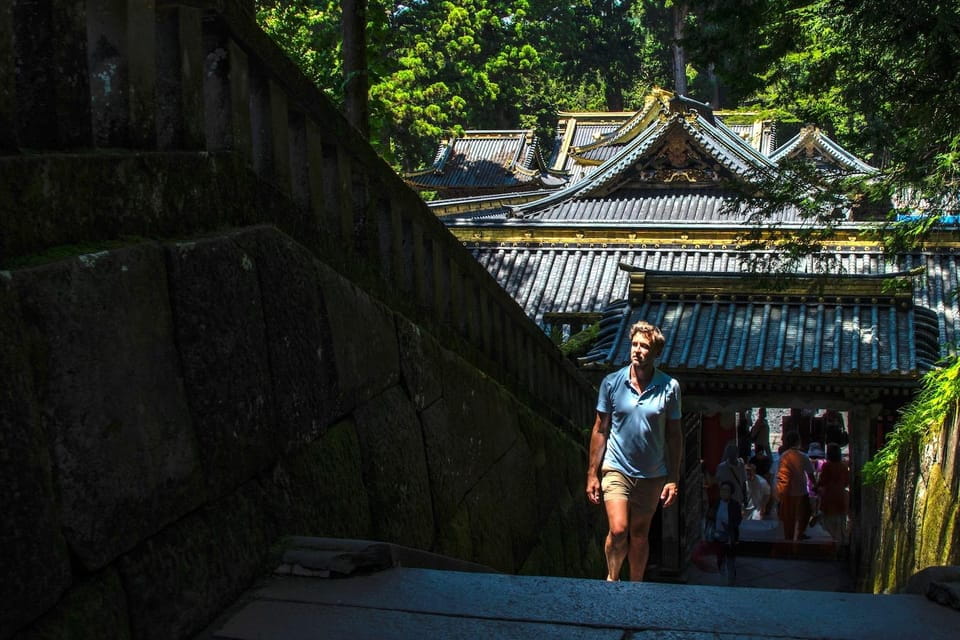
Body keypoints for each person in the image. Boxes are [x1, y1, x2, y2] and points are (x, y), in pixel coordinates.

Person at [586, 321, 683, 581]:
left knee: (640, 535)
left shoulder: (669, 387)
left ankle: (635, 587)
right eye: (634, 344)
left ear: (656, 352)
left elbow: (674, 435)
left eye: (644, 346)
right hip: (616, 466)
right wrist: (592, 473)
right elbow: (600, 429)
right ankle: (613, 578)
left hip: (651, 473)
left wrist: (673, 478)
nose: (637, 350)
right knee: (618, 529)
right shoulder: (612, 383)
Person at [692, 481, 742, 585]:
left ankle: (731, 582)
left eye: (726, 490)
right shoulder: (717, 503)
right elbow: (710, 517)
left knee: (730, 561)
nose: (724, 493)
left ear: (731, 493)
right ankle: (722, 580)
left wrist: (729, 527)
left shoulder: (735, 505)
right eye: (722, 490)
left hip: (729, 538)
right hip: (718, 536)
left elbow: (737, 520)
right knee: (720, 559)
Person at [776, 431, 816, 540]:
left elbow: (780, 475)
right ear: (798, 441)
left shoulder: (783, 456)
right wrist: (815, 485)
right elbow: (810, 474)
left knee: (789, 517)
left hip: (787, 492)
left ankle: (788, 537)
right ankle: (800, 533)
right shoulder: (803, 456)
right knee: (804, 515)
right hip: (801, 491)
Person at [816, 442, 850, 546]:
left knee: (829, 524)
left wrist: (817, 486)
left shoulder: (827, 466)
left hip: (829, 497)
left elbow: (822, 481)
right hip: (841, 497)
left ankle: (834, 545)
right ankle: (840, 545)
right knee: (840, 524)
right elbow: (846, 482)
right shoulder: (843, 466)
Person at [715, 441, 747, 508]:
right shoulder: (722, 467)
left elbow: (744, 483)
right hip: (729, 499)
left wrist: (745, 498)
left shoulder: (722, 467)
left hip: (735, 499)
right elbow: (744, 482)